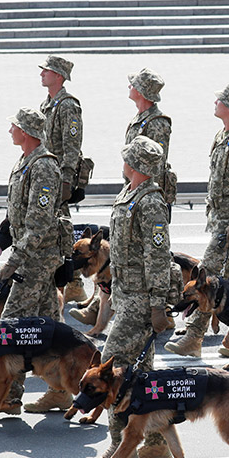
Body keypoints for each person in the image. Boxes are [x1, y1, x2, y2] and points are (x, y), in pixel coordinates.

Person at [89, 136, 173, 458]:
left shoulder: (150, 201)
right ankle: (154, 443)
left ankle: (117, 445)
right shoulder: (130, 194)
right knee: (145, 376)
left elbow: (158, 255)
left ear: (136, 164)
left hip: (141, 299)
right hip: (126, 293)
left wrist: (158, 304)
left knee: (110, 365)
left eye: (127, 158)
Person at [71, 67, 173, 328]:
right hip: (132, 193)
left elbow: (155, 164)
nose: (129, 87)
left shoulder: (157, 123)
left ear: (142, 91)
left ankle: (157, 312)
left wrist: (147, 199)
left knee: (138, 260)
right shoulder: (140, 118)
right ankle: (99, 308)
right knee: (119, 255)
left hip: (143, 198)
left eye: (133, 84)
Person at [164, 84, 229, 359]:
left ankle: (194, 338)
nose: (215, 102)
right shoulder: (223, 136)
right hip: (220, 218)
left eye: (220, 100)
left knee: (204, 277)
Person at [0, 108, 63, 416]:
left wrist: (15, 258)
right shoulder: (25, 162)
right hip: (32, 254)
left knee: (10, 325)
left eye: (14, 126)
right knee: (50, 325)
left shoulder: (44, 167)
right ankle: (61, 388)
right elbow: (18, 211)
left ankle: (9, 396)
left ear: (26, 132)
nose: (9, 129)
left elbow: (38, 222)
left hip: (36, 257)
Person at [38, 54, 87, 305]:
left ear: (58, 75)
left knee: (61, 228)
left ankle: (75, 282)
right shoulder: (48, 104)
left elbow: (72, 145)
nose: (41, 74)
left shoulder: (68, 105)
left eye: (46, 70)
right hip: (47, 174)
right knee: (57, 228)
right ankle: (73, 283)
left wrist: (67, 180)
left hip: (58, 178)